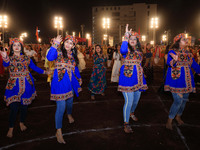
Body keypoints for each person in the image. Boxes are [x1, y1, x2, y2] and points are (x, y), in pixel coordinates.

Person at [0, 38, 49, 138]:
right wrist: (5, 57)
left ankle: (21, 122)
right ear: (12, 48)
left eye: (19, 45)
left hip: (26, 84)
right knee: (13, 108)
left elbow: (35, 68)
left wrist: (45, 72)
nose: (17, 47)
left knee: (24, 107)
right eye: (14, 45)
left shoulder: (27, 58)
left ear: (21, 47)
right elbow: (5, 64)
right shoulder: (9, 58)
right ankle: (11, 128)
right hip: (13, 86)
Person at [47, 35, 82, 144]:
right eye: (67, 42)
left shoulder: (73, 57)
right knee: (61, 107)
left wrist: (79, 78)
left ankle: (69, 114)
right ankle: (59, 131)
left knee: (70, 103)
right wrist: (55, 43)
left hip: (70, 84)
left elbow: (75, 69)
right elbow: (49, 57)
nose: (68, 44)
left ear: (73, 46)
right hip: (59, 84)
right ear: (63, 43)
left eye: (71, 43)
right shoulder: (58, 52)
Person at [165, 33, 200, 130]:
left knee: (184, 100)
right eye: (184, 39)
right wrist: (174, 60)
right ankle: (169, 120)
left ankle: (178, 116)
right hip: (176, 80)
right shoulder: (172, 51)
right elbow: (169, 62)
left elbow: (195, 65)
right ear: (178, 42)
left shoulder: (189, 53)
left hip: (187, 81)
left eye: (186, 39)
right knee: (178, 101)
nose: (186, 40)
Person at [118, 24, 148, 133]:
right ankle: (126, 123)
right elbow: (122, 50)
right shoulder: (125, 50)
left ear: (137, 41)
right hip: (127, 79)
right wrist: (126, 35)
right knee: (129, 101)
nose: (133, 40)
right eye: (131, 39)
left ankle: (131, 113)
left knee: (136, 101)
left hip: (139, 79)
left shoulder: (139, 51)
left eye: (135, 39)